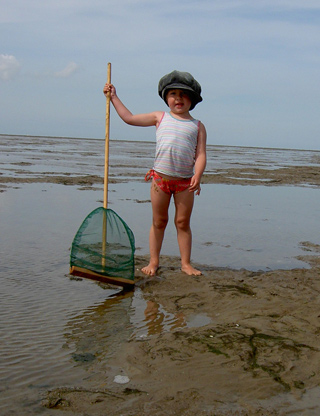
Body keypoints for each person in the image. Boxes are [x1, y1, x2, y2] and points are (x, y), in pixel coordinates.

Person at [103, 70, 207, 276]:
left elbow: (201, 154)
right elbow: (129, 118)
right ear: (166, 97)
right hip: (160, 180)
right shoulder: (160, 117)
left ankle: (185, 264)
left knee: (182, 223)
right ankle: (153, 262)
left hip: (185, 183)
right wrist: (113, 97)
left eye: (184, 94)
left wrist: (199, 174)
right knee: (159, 221)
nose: (178, 98)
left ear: (192, 99)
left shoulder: (197, 126)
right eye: (173, 93)